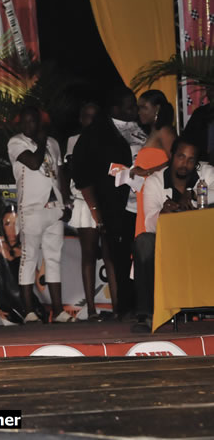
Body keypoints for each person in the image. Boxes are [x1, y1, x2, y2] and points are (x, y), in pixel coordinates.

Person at [72, 85, 142, 319]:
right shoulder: (97, 133)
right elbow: (81, 173)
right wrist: (96, 210)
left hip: (146, 203)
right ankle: (126, 308)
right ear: (115, 108)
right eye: (130, 106)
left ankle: (146, 304)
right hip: (117, 207)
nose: (135, 110)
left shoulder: (143, 127)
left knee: (144, 255)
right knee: (120, 257)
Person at [132, 136, 214, 332]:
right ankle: (146, 315)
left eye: (191, 159)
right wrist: (162, 213)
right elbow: (149, 224)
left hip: (203, 242)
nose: (185, 164)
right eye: (181, 157)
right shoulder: (155, 181)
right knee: (144, 242)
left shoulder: (206, 173)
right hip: (170, 245)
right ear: (172, 156)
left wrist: (195, 194)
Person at [7, 105, 73, 323]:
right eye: (25, 122)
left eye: (32, 121)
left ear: (39, 123)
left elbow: (60, 172)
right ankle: (29, 312)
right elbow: (34, 163)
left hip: (54, 208)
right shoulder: (16, 142)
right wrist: (42, 141)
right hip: (32, 209)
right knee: (29, 259)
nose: (29, 125)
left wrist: (66, 203)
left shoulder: (52, 143)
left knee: (53, 258)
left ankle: (58, 311)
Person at [65, 102, 115, 321]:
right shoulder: (74, 140)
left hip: (107, 201)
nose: (90, 121)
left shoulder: (110, 140)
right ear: (80, 118)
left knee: (111, 255)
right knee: (89, 255)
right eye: (87, 116)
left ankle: (118, 307)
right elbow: (73, 171)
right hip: (84, 200)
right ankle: (92, 309)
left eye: (94, 117)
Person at [131, 90, 176, 237]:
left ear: (157, 108)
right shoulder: (153, 131)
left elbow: (176, 161)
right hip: (145, 192)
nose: (139, 112)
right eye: (139, 108)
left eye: (144, 107)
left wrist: (146, 171)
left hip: (157, 192)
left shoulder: (165, 131)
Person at [183, 86, 214, 165]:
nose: (211, 92)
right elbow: (186, 140)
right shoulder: (200, 113)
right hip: (202, 163)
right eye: (209, 88)